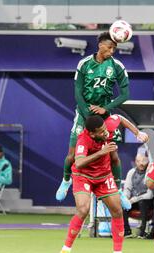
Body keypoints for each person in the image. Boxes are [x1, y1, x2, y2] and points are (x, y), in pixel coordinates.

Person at [56, 115, 148, 253]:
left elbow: (120, 118)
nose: (106, 133)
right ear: (92, 133)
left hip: (104, 176)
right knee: (83, 209)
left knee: (117, 211)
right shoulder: (83, 140)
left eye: (106, 130)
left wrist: (137, 133)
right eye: (101, 132)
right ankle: (66, 249)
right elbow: (78, 163)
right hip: (83, 176)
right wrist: (101, 152)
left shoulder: (108, 128)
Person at [55, 32, 132, 210]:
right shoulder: (84, 64)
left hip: (104, 116)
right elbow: (78, 93)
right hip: (84, 115)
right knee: (72, 155)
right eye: (110, 47)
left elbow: (125, 94)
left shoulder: (117, 66)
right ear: (100, 46)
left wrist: (106, 108)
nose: (112, 51)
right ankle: (66, 180)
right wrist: (87, 115)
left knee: (114, 156)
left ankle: (118, 190)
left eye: (115, 48)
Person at [122, 153, 154, 238]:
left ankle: (142, 231)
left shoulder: (150, 172)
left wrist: (134, 199)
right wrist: (125, 199)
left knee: (142, 202)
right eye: (139, 161)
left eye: (144, 161)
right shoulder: (131, 172)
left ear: (148, 161)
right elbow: (127, 189)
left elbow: (150, 194)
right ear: (135, 162)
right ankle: (127, 230)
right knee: (122, 204)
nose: (141, 163)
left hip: (147, 202)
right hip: (133, 201)